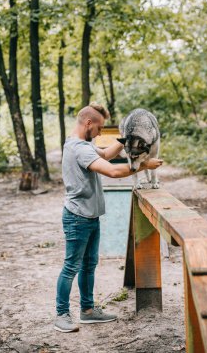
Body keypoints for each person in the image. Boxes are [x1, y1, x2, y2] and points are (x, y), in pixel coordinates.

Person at [54, 102, 163, 333]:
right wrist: (143, 165)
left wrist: (128, 137)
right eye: (100, 128)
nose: (101, 133)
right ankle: (62, 314)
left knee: (89, 265)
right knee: (71, 266)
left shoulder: (85, 144)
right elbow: (113, 171)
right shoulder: (79, 149)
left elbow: (104, 153)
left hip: (90, 216)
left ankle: (88, 310)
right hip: (77, 217)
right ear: (88, 123)